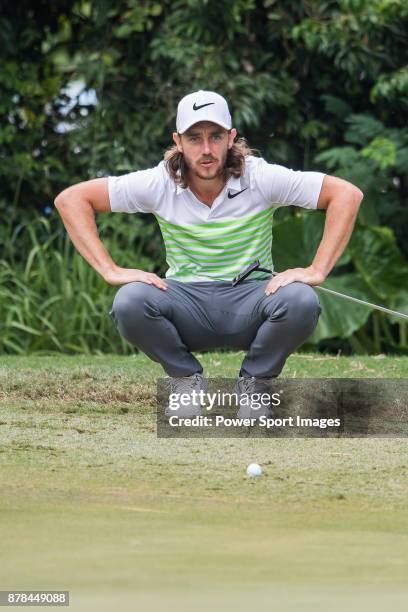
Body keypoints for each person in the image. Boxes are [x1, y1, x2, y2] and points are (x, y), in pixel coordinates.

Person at [54, 90, 363, 418]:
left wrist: (317, 270)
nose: (205, 150)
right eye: (194, 138)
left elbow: (346, 194)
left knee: (301, 300)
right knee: (129, 302)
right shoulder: (159, 182)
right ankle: (186, 380)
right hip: (187, 304)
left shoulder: (259, 177)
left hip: (251, 301)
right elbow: (71, 200)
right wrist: (110, 270)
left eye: (215, 137)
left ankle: (255, 384)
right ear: (178, 140)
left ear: (231, 138)